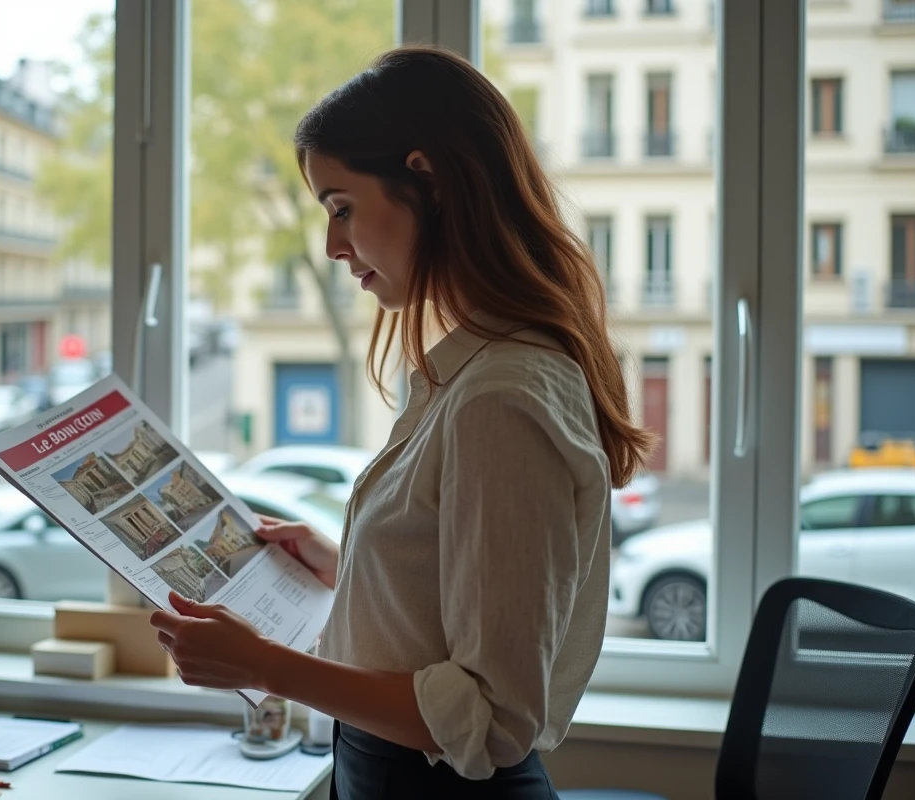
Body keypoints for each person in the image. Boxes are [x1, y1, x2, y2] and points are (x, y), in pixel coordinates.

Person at [149, 44, 655, 798]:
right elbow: (448, 607)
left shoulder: (500, 398)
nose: (332, 245)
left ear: (430, 179)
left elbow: (490, 717)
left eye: (342, 208)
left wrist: (263, 666)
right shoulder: (474, 371)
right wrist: (350, 565)